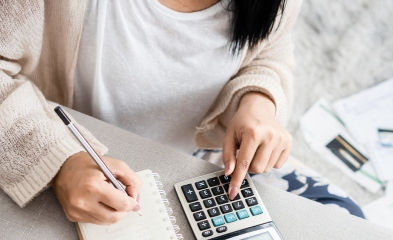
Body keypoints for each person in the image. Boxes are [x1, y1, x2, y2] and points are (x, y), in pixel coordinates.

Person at [0, 0, 363, 225]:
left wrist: (258, 101)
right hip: (69, 154)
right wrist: (60, 162)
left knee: (345, 221)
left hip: (200, 157)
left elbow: (271, 50)